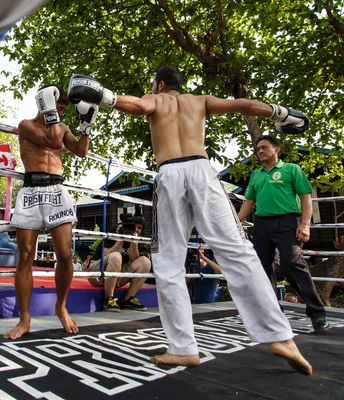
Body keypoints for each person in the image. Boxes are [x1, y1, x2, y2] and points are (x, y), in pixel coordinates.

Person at [67, 67, 312, 374]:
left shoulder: (155, 99)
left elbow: (137, 106)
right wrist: (282, 114)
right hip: (202, 172)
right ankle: (281, 337)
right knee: (238, 251)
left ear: (159, 84)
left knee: (169, 262)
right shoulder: (200, 100)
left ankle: (183, 348)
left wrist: (104, 96)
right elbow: (246, 105)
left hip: (170, 175)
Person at [3, 85, 95, 340]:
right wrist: (50, 111)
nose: (61, 114)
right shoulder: (26, 125)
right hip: (31, 190)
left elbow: (81, 151)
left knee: (65, 254)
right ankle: (24, 319)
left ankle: (61, 306)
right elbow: (51, 141)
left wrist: (86, 126)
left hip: (56, 190)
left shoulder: (63, 128)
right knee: (24, 255)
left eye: (64, 110)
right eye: (57, 108)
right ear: (44, 104)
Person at [237, 135, 329, 331]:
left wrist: (305, 224)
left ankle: (317, 313)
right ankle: (272, 313)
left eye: (264, 147)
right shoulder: (256, 175)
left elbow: (306, 198)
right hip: (261, 223)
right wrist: (235, 224)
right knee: (262, 268)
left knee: (291, 263)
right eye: (257, 149)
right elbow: (249, 202)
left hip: (287, 221)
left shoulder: (291, 170)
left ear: (276, 149)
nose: (260, 151)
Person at [86, 220, 151, 311]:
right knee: (116, 256)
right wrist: (121, 238)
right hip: (97, 271)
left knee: (145, 261)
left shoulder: (137, 239)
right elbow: (107, 254)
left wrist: (134, 242)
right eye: (134, 226)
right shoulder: (114, 233)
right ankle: (108, 299)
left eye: (139, 228)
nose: (136, 229)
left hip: (117, 274)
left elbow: (134, 259)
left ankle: (128, 299)